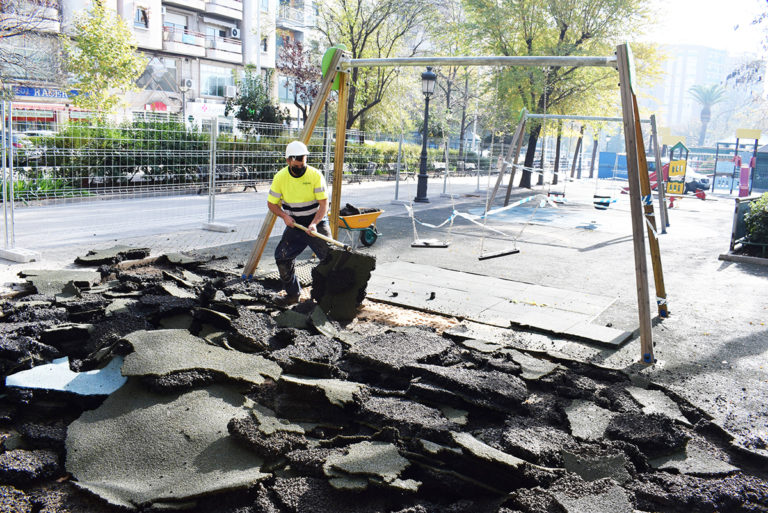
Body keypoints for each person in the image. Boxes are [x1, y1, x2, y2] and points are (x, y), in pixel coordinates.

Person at [267, 140, 332, 306]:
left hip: (315, 221)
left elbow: (324, 205)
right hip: (294, 224)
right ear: (288, 161)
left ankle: (331, 299)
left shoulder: (315, 175)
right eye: (296, 166)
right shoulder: (280, 177)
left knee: (331, 259)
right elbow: (271, 203)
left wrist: (315, 223)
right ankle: (293, 294)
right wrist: (284, 216)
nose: (299, 168)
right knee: (282, 257)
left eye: (302, 164)